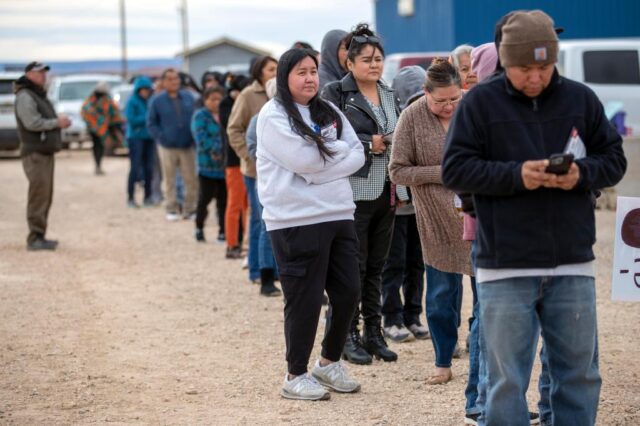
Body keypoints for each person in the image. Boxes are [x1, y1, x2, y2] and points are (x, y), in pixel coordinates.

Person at [442, 10, 626, 425]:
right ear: (506, 61)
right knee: (506, 380)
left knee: (579, 374)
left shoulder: (581, 99)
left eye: (544, 67)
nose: (535, 77)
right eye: (525, 68)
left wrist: (582, 175)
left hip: (572, 259)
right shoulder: (478, 103)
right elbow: (454, 170)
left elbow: (613, 160)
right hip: (504, 262)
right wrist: (517, 176)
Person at [257, 48, 364, 401]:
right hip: (295, 219)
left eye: (314, 71)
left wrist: (321, 165)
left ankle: (328, 362)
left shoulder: (328, 110)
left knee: (349, 291)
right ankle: (295, 373)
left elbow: (358, 152)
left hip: (338, 212)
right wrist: (329, 160)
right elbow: (303, 160)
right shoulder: (273, 116)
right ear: (285, 76)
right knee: (304, 299)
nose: (310, 78)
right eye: (301, 72)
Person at [389, 58, 473, 385]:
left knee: (487, 292)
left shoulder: (472, 109)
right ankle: (442, 360)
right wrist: (442, 174)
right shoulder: (411, 117)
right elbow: (397, 171)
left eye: (455, 98)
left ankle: (482, 354)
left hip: (477, 213)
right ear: (425, 93)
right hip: (436, 218)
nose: (449, 106)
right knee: (440, 295)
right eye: (440, 101)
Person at [323, 23, 403, 365]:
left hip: (386, 189)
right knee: (351, 268)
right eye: (367, 59)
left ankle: (374, 332)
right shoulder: (336, 94)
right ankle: (346, 335)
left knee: (377, 266)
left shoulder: (389, 93)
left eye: (378, 59)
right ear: (350, 63)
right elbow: (328, 137)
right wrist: (371, 144)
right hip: (353, 190)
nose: (374, 65)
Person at [381, 65, 430, 343]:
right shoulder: (390, 122)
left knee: (417, 262)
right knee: (394, 263)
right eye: (410, 99)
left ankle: (413, 315)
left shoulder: (432, 120)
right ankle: (392, 317)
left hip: (421, 205)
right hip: (397, 206)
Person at [227, 56, 278, 284]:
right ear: (259, 72)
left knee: (272, 221)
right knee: (258, 219)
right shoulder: (248, 95)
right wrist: (249, 156)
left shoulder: (280, 92)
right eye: (271, 69)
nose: (275, 73)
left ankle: (272, 267)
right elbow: (234, 129)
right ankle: (256, 270)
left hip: (275, 170)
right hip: (253, 169)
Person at [14, 61, 71, 251]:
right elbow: (31, 123)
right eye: (39, 73)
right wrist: (56, 123)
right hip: (35, 152)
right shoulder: (25, 96)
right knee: (38, 194)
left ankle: (40, 234)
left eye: (44, 73)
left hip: (44, 151)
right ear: (29, 74)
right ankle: (35, 237)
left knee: (45, 194)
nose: (43, 76)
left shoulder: (38, 95)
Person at [147, 68, 198, 221]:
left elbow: (196, 117)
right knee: (169, 179)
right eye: (170, 79)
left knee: (191, 179)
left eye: (176, 78)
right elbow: (151, 123)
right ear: (163, 82)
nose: (174, 82)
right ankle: (171, 208)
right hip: (166, 146)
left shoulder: (189, 98)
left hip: (187, 145)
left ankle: (190, 208)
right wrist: (161, 137)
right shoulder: (157, 101)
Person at [245, 78, 281, 297]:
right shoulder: (259, 119)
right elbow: (252, 148)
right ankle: (266, 278)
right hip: (268, 182)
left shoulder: (304, 117)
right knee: (267, 229)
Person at [191, 86, 227, 243]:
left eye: (219, 98)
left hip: (224, 168)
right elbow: (201, 138)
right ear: (205, 100)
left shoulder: (225, 114)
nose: (216, 102)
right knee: (204, 200)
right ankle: (199, 227)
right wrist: (218, 148)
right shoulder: (200, 116)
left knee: (223, 202)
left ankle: (223, 231)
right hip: (207, 167)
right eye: (212, 99)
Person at [220, 75, 250, 259]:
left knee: (248, 205)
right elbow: (230, 126)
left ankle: (246, 243)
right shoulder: (226, 104)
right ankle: (232, 243)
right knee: (235, 204)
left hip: (248, 160)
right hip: (233, 160)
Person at [125, 76, 155, 208]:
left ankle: (148, 197)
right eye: (143, 90)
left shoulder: (150, 101)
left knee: (149, 169)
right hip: (135, 138)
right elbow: (132, 120)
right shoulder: (132, 102)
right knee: (135, 168)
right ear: (138, 90)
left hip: (149, 138)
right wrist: (147, 117)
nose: (145, 92)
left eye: (147, 90)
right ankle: (131, 198)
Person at [81, 81, 123, 175]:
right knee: (97, 146)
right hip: (94, 128)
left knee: (100, 146)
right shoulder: (91, 101)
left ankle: (98, 165)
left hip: (101, 127)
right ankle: (97, 165)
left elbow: (112, 111)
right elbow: (86, 112)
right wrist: (99, 119)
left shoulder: (105, 99)